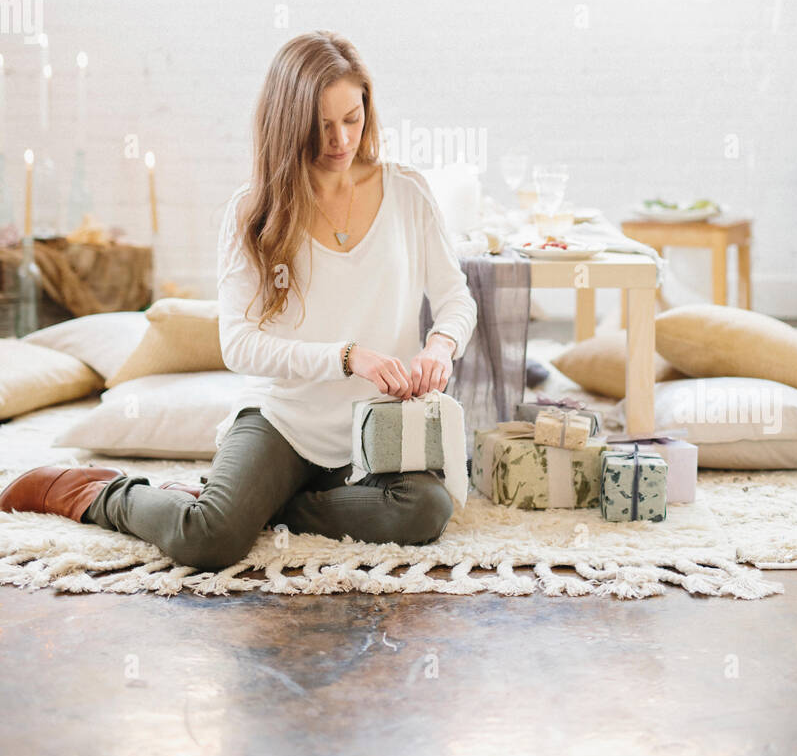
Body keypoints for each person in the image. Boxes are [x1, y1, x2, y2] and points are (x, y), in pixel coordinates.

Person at [0, 31, 477, 572]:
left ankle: (258, 509)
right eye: (322, 125)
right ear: (288, 121)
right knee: (209, 541)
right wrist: (347, 357)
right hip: (285, 419)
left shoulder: (407, 193)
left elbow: (456, 299)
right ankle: (101, 494)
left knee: (424, 510)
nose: (341, 139)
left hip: (380, 425)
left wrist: (439, 347)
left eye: (353, 117)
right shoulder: (254, 211)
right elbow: (240, 345)